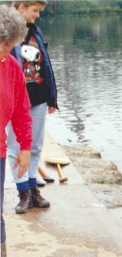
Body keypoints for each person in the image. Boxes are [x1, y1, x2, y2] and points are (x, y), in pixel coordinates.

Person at [7, 0, 58, 214]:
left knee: (35, 146)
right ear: (20, 7)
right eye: (34, 10)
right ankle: (23, 192)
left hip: (38, 98)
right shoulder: (7, 33)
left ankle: (33, 189)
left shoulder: (36, 31)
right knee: (16, 147)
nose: (37, 15)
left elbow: (45, 63)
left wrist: (52, 96)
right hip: (15, 101)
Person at [0, 4, 33, 257]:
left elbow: (22, 110)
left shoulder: (11, 67)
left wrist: (25, 147)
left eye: (12, 44)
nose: (9, 49)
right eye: (6, 44)